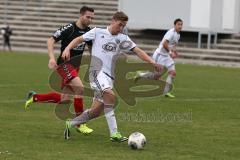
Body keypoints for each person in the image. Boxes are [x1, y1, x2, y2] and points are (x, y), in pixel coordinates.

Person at [62, 11, 163, 141]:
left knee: (96, 111)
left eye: (123, 26)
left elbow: (137, 50)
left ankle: (71, 124)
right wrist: (67, 49)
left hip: (109, 77)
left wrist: (152, 62)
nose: (121, 28)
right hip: (96, 73)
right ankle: (114, 134)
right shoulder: (97, 32)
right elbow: (79, 39)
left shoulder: (122, 38)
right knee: (110, 96)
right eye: (120, 24)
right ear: (113, 20)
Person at [25, 6, 95, 134]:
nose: (90, 20)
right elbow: (50, 40)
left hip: (75, 67)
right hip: (64, 65)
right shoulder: (69, 28)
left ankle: (35, 97)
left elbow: (91, 48)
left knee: (65, 100)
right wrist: (51, 58)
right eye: (88, 17)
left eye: (92, 18)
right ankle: (80, 124)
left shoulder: (89, 32)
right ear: (81, 15)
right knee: (80, 88)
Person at [135, 18, 183, 98]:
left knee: (173, 72)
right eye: (178, 24)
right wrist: (171, 52)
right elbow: (164, 44)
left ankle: (166, 92)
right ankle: (141, 75)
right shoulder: (171, 33)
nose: (180, 26)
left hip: (167, 56)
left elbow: (173, 45)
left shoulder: (178, 35)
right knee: (156, 76)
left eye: (181, 25)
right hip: (160, 55)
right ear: (174, 25)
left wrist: (174, 52)